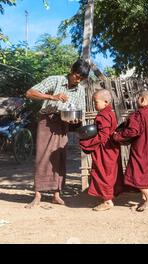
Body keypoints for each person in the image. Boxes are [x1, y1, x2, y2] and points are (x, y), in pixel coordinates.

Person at [24, 59, 90, 208]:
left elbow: (81, 111)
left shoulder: (80, 90)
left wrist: (76, 120)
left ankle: (56, 194)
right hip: (47, 122)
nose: (78, 80)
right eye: (76, 76)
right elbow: (29, 93)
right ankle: (38, 194)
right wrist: (52, 97)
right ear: (71, 71)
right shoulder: (55, 80)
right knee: (42, 156)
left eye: (81, 78)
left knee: (59, 157)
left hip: (63, 124)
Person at [113, 91, 148, 212]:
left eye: (138, 98)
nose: (136, 100)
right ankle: (144, 197)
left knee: (136, 172)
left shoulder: (139, 114)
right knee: (144, 170)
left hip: (140, 148)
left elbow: (133, 131)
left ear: (143, 99)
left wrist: (118, 136)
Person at [80, 89, 121, 211]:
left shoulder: (103, 115)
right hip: (111, 148)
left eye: (96, 102)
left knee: (102, 173)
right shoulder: (111, 113)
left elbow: (103, 135)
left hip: (104, 149)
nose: (94, 105)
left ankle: (107, 201)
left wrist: (87, 143)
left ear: (106, 102)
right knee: (109, 172)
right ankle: (108, 197)